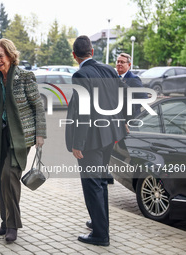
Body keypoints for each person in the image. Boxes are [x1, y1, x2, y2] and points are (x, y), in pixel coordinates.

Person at [0, 38, 46, 243]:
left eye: (1, 56)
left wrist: (40, 134)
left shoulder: (25, 77)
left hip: (21, 137)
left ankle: (13, 225)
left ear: (10, 56)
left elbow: (38, 107)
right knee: (1, 179)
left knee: (9, 176)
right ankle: (5, 221)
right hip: (1, 135)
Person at [65, 35, 127, 246]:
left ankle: (101, 235)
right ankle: (100, 223)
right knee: (100, 182)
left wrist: (77, 144)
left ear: (75, 55)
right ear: (92, 51)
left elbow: (83, 113)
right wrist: (122, 122)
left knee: (92, 185)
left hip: (91, 140)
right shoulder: (109, 70)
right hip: (110, 136)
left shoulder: (81, 74)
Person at [116, 52, 147, 117]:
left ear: (129, 65)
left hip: (130, 119)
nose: (119, 64)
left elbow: (143, 98)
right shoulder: (114, 77)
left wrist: (129, 109)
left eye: (122, 62)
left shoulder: (134, 79)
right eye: (118, 62)